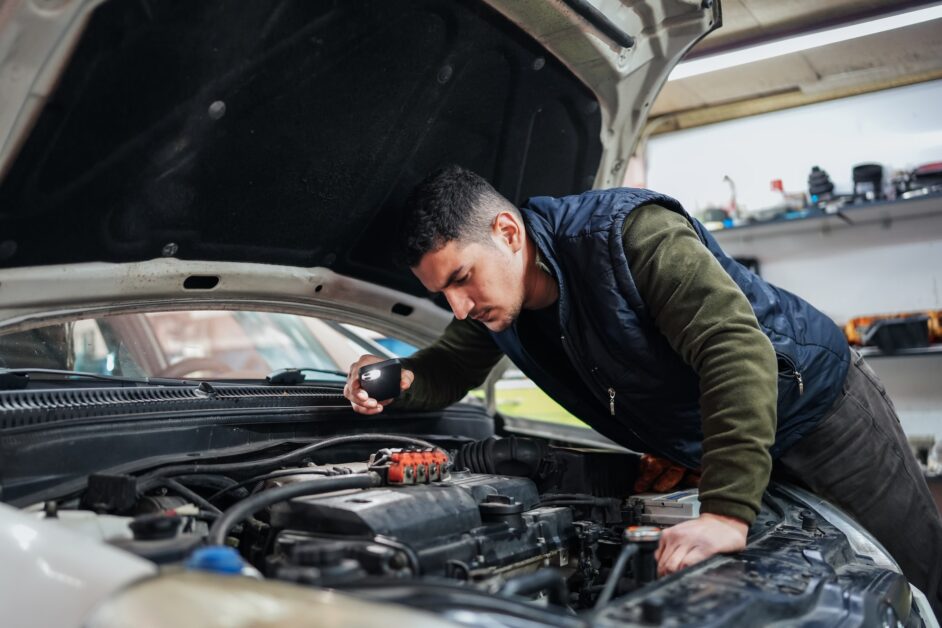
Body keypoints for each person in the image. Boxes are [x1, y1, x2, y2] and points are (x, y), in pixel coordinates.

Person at [343, 164, 941, 616]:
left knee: (912, 581)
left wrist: (728, 513)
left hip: (821, 414)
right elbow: (447, 368)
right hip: (728, 446)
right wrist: (395, 380)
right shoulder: (501, 307)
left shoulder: (627, 236)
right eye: (442, 293)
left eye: (461, 279)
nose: (458, 306)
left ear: (506, 231)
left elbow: (733, 350)